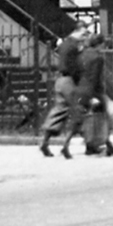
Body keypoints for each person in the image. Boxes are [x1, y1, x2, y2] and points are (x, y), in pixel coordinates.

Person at [39, 22, 91, 158]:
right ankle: (66, 146)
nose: (84, 37)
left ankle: (44, 141)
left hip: (60, 80)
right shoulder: (73, 46)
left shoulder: (64, 44)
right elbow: (74, 66)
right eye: (84, 34)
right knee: (79, 110)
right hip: (70, 81)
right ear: (77, 31)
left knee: (59, 111)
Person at [77, 31, 113, 157]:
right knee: (104, 119)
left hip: (81, 89)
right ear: (100, 44)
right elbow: (95, 78)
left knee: (88, 118)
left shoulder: (82, 55)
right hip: (94, 92)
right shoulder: (97, 58)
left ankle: (91, 146)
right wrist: (93, 96)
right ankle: (107, 145)